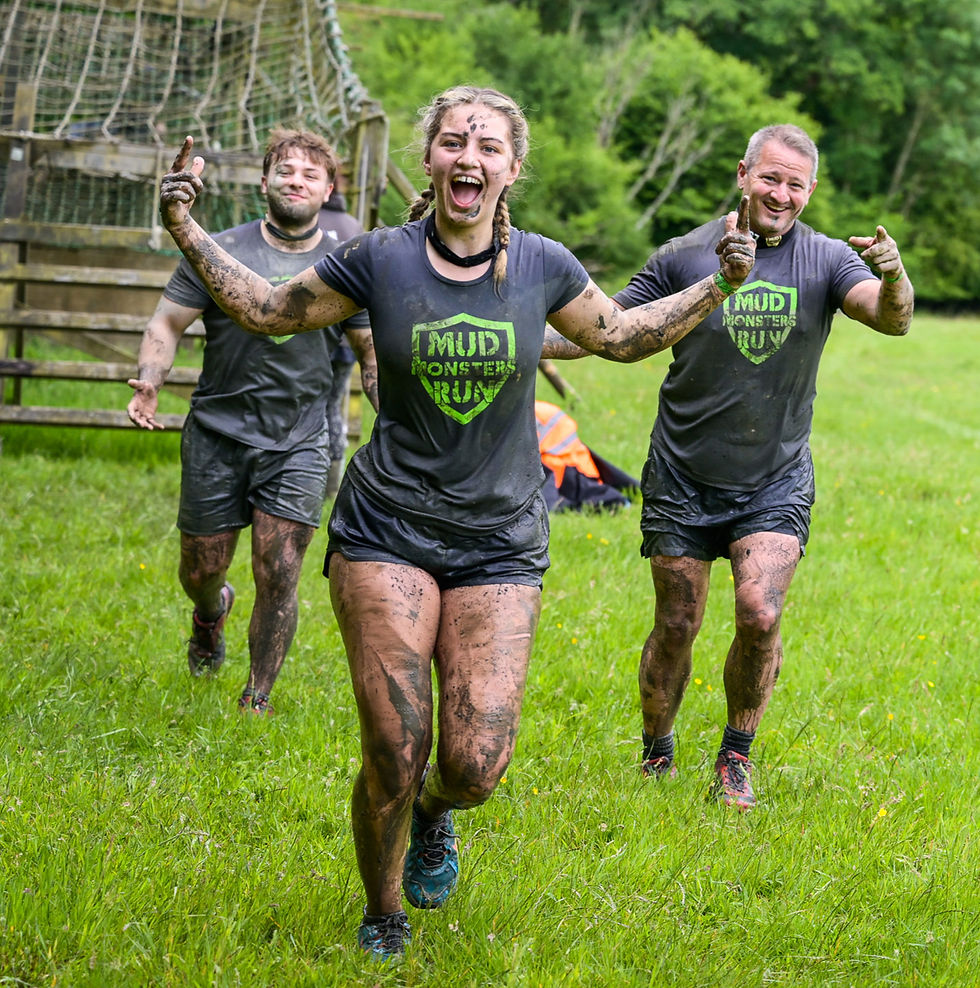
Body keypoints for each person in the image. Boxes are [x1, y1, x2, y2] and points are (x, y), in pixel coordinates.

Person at [155, 85, 756, 961]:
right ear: (431, 159)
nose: (467, 158)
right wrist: (186, 230)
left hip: (500, 539)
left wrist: (722, 282)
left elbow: (621, 336)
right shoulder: (378, 258)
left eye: (486, 147)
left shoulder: (542, 266)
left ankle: (437, 815)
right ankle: (384, 910)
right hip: (385, 528)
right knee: (395, 748)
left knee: (473, 766)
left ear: (509, 170)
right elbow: (269, 309)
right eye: (451, 142)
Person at [613, 124, 914, 810]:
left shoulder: (830, 259)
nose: (781, 194)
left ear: (810, 192)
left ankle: (734, 757)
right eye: (770, 178)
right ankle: (657, 750)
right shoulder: (685, 253)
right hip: (682, 473)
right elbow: (609, 328)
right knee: (677, 624)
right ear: (743, 174)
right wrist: (521, 332)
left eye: (795, 184)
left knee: (758, 611)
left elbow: (891, 319)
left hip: (772, 477)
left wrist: (894, 274)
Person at [127, 128, 378, 717]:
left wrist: (385, 417)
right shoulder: (217, 248)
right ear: (264, 183)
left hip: (301, 439)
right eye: (285, 171)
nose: (297, 181)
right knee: (201, 566)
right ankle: (209, 612)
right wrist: (150, 380)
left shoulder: (345, 266)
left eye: (310, 174)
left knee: (280, 569)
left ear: (329, 190)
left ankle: (256, 697)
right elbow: (166, 324)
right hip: (218, 431)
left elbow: (369, 350)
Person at [318, 186, 369, 496]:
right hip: (345, 340)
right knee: (333, 406)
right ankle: (331, 486)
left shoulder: (310, 219)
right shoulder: (353, 226)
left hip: (309, 334)